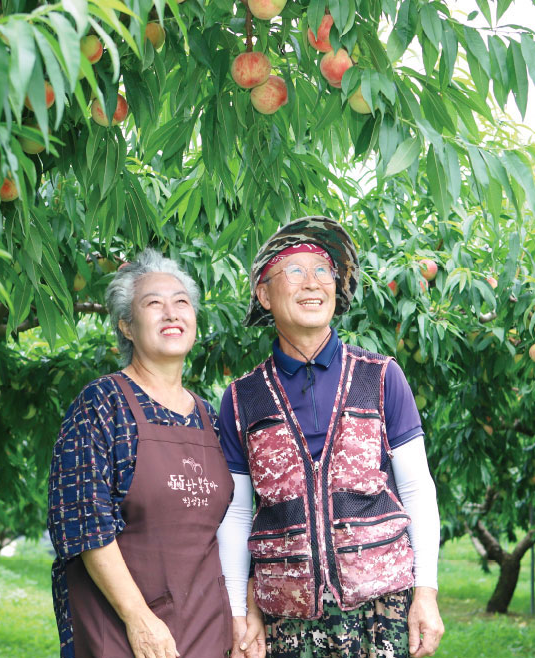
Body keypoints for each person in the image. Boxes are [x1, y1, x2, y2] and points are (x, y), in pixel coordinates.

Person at [216, 216, 444, 658]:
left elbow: (417, 488)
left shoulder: (380, 378)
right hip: (287, 621)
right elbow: (239, 512)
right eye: (294, 271)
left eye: (323, 271)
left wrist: (427, 592)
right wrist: (237, 609)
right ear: (264, 293)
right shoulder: (242, 398)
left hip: (383, 612)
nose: (312, 283)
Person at [48, 248, 234, 658]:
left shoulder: (211, 417)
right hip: (123, 632)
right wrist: (137, 618)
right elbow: (82, 523)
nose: (171, 313)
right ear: (127, 327)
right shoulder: (102, 404)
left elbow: (228, 529)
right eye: (154, 303)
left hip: (205, 631)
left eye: (181, 302)